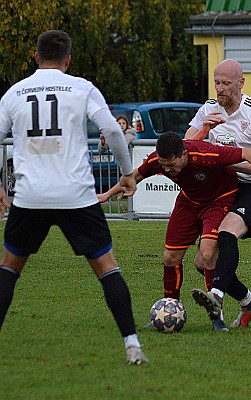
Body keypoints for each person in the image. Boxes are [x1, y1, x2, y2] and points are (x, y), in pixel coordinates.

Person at [0, 30, 148, 365]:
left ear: (35, 57)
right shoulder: (81, 88)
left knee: (9, 268)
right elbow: (111, 130)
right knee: (107, 268)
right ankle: (132, 345)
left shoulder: (15, 93)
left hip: (30, 196)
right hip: (76, 196)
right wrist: (127, 173)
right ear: (68, 59)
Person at [98, 131, 251, 331]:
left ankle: (217, 318)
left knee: (208, 253)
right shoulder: (158, 161)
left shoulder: (206, 153)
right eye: (163, 165)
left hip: (220, 201)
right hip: (189, 203)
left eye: (171, 165)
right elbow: (135, 176)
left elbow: (249, 154)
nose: (167, 169)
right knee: (170, 257)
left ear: (184, 154)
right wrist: (107, 195)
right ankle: (169, 309)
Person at [186, 59, 251, 331]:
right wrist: (204, 129)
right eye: (216, 82)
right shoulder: (208, 109)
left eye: (226, 83)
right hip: (222, 188)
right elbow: (186, 145)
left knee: (226, 233)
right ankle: (249, 301)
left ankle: (216, 296)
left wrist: (222, 159)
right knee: (204, 261)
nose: (220, 89)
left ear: (241, 83)